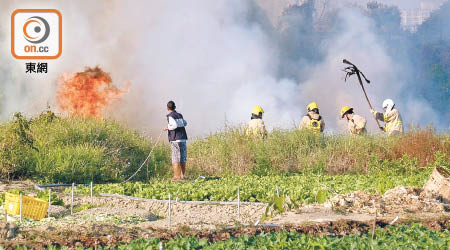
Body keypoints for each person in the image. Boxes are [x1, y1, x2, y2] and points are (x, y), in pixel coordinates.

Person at [163, 101, 188, 180]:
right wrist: (173, 125)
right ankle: (182, 176)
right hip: (183, 138)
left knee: (175, 157)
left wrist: (167, 128)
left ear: (167, 108)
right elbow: (185, 123)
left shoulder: (170, 116)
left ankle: (176, 176)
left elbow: (174, 125)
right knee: (182, 157)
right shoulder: (179, 115)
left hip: (175, 139)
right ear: (175, 107)